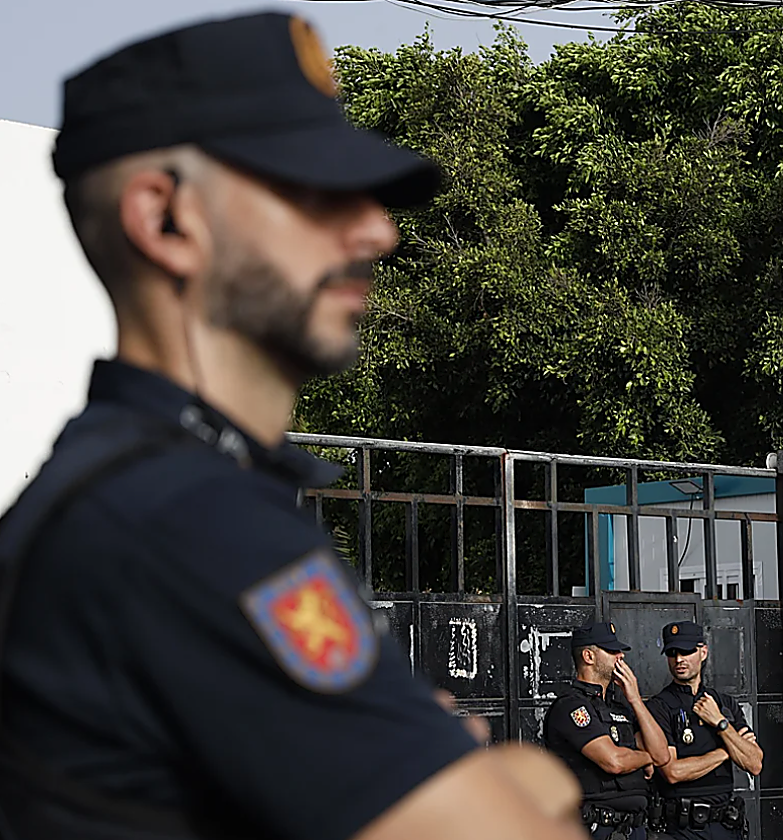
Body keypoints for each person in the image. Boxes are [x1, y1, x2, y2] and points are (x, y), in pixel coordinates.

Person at [0, 12, 585, 840]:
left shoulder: (132, 488)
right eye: (312, 188)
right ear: (164, 218)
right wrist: (518, 775)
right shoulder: (191, 523)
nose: (377, 230)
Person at [543, 622, 670, 840]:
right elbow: (614, 762)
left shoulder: (619, 705)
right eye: (611, 651)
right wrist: (646, 758)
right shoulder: (572, 706)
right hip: (597, 827)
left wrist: (635, 700)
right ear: (588, 656)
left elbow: (663, 755)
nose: (620, 656)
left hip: (634, 828)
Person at [645, 621, 763, 840]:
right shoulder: (658, 707)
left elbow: (755, 763)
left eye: (687, 651)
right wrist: (727, 750)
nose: (679, 659)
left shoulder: (724, 704)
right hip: (681, 828)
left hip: (725, 826)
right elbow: (673, 772)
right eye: (672, 653)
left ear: (703, 652)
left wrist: (720, 722)